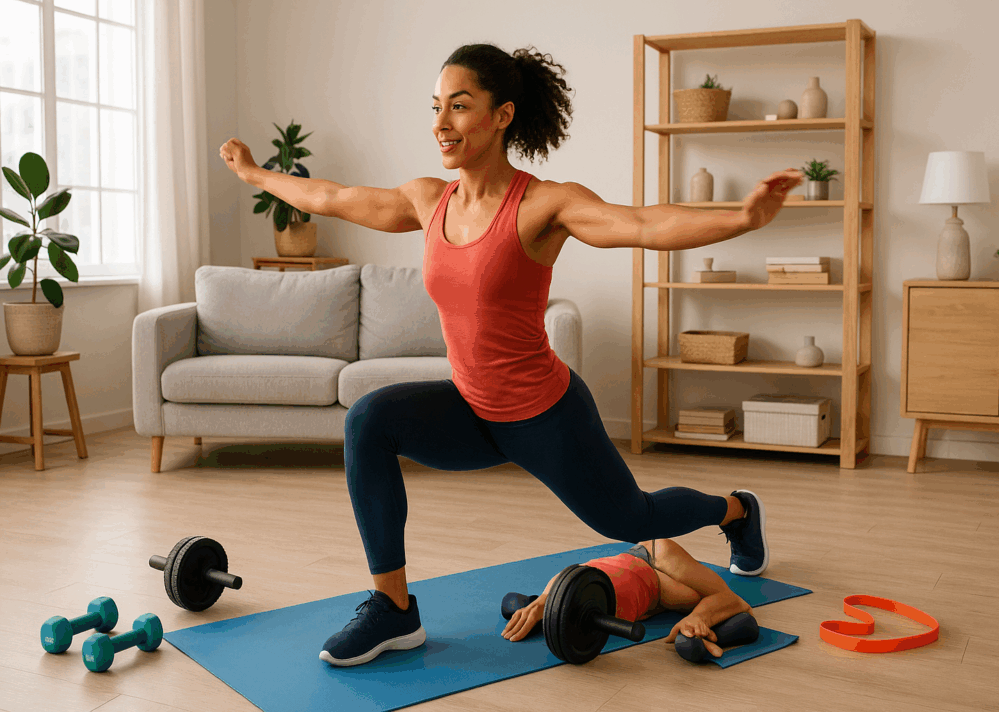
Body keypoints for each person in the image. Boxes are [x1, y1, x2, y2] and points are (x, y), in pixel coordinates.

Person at [219, 42, 802, 668]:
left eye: (460, 106)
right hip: (473, 411)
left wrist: (740, 219)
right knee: (369, 420)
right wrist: (255, 175)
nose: (441, 123)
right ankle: (393, 609)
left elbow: (641, 223)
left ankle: (737, 510)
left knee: (631, 519)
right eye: (436, 107)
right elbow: (332, 198)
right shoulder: (427, 200)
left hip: (544, 415)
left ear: (502, 116)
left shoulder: (543, 205)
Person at [500, 538, 756, 661]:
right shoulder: (569, 589)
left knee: (699, 604)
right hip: (596, 580)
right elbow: (574, 572)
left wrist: (699, 617)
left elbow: (736, 601)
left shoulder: (664, 561)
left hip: (650, 561)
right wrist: (544, 599)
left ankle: (719, 629)